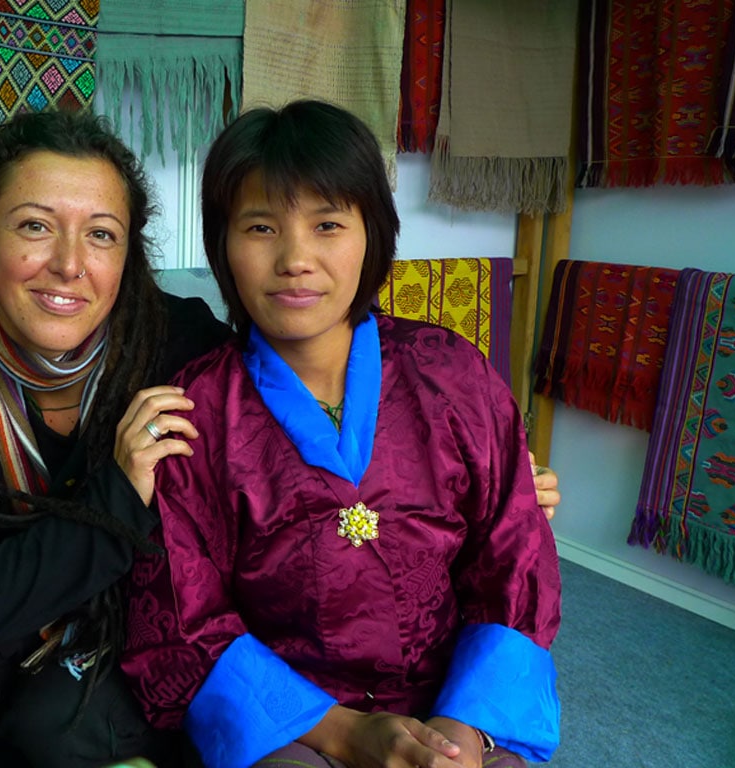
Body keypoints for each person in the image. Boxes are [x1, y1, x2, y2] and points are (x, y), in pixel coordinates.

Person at [0, 108, 563, 768]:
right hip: (72, 628)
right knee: (18, 713)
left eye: (101, 234)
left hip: (396, 676)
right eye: (35, 226)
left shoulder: (186, 343)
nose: (69, 265)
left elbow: (502, 546)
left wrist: (496, 490)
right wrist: (117, 495)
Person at [120, 100, 562, 768]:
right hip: (294, 722)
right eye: (261, 227)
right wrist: (346, 733)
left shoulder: (452, 375)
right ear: (222, 245)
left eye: (327, 224)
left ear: (371, 234)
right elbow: (188, 616)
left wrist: (460, 734)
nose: (295, 259)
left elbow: (513, 558)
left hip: (455, 698)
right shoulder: (195, 415)